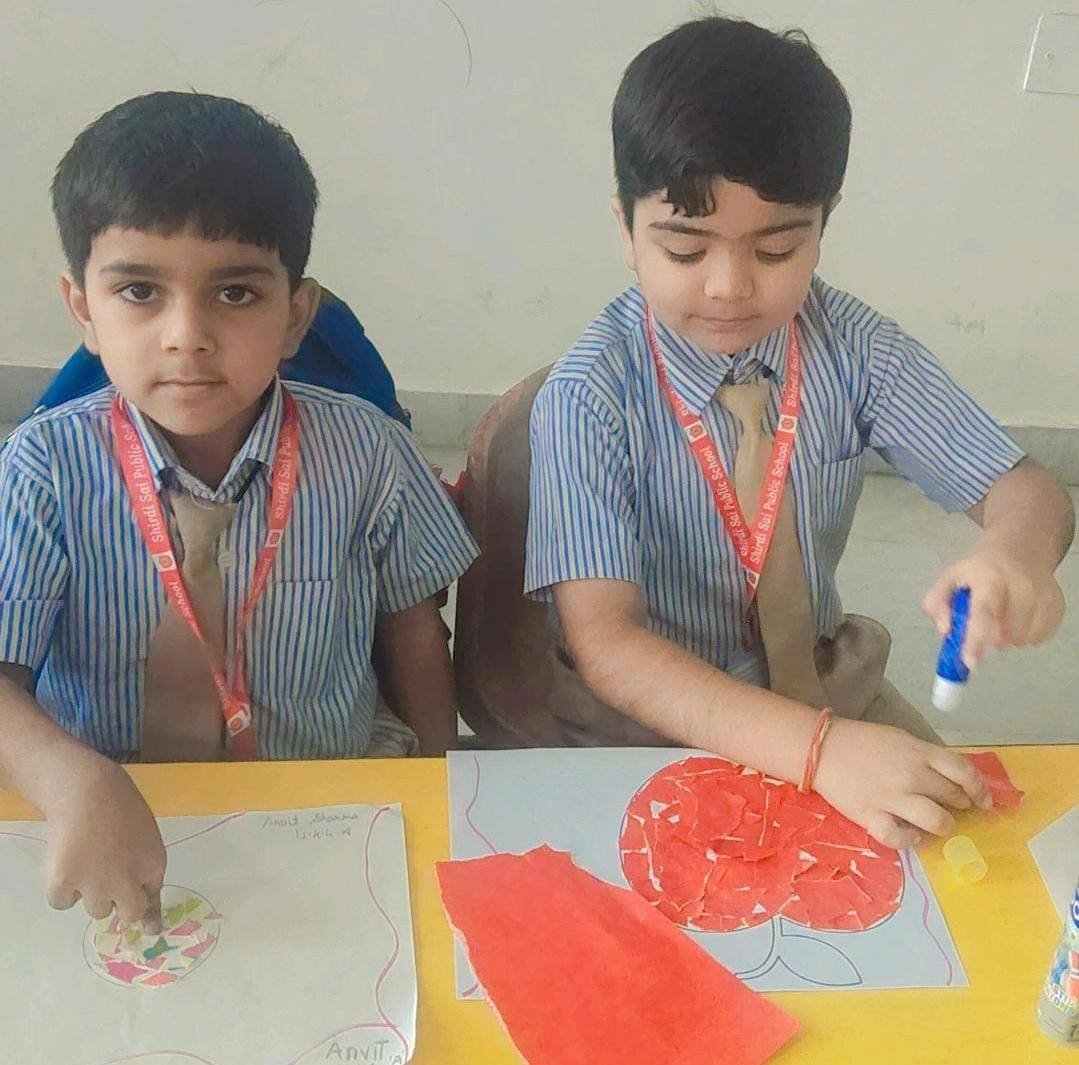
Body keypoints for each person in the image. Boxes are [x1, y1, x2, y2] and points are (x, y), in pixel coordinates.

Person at [525, 17, 1073, 851]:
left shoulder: (854, 348)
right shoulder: (588, 396)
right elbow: (608, 644)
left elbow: (1025, 489)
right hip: (649, 718)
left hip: (822, 681)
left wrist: (1015, 556)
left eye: (776, 249)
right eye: (685, 250)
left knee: (972, 856)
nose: (728, 286)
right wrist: (819, 754)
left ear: (824, 222)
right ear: (626, 229)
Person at [0, 91, 477, 928]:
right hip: (109, 808)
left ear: (295, 315)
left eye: (235, 294)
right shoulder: (42, 468)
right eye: (140, 290)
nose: (186, 334)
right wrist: (67, 777)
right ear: (83, 311)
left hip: (331, 795)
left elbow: (413, 632)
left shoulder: (369, 454)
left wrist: (438, 793)